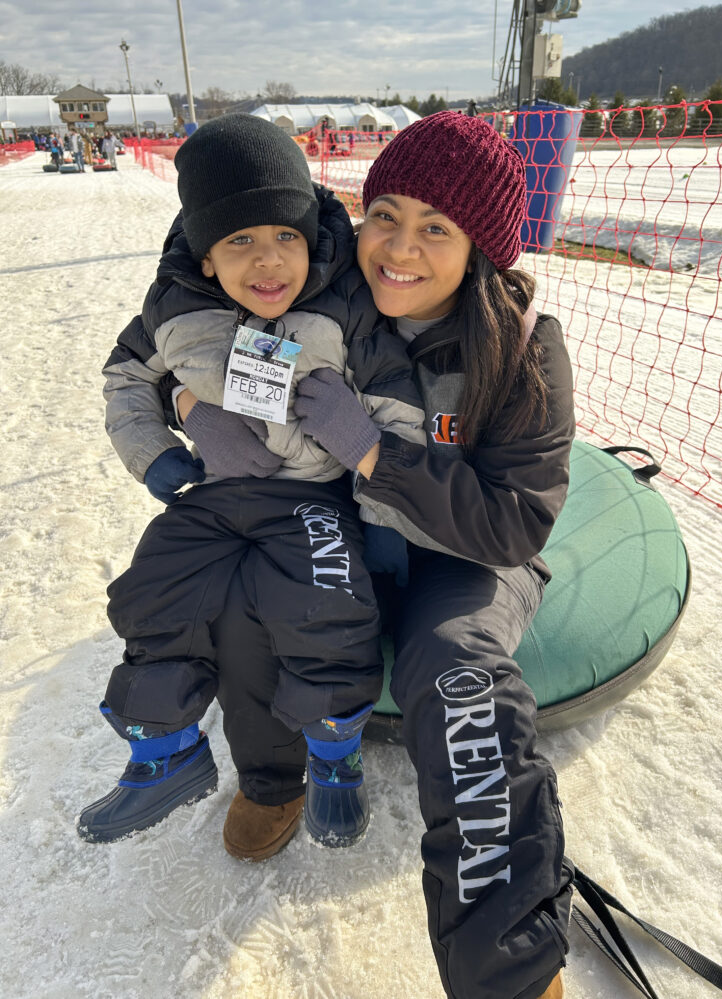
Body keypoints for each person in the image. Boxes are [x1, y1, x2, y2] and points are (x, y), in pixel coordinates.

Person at [99, 111, 576, 999]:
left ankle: (507, 963)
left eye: (436, 227)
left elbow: (515, 524)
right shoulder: (323, 295)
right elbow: (171, 340)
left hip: (461, 556)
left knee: (460, 672)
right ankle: (274, 777)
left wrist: (375, 454)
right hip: (336, 527)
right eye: (384, 214)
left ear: (481, 246)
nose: (398, 247)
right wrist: (186, 404)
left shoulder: (520, 350)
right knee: (254, 594)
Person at [78, 114, 425, 854]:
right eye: (239, 241)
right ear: (205, 257)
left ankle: (332, 755)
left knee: (320, 601)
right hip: (213, 488)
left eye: (285, 237)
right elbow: (124, 379)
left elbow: (395, 397)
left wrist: (383, 507)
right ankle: (162, 749)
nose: (267, 263)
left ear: (310, 238)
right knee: (153, 589)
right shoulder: (173, 307)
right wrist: (160, 447)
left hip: (309, 491)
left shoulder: (343, 302)